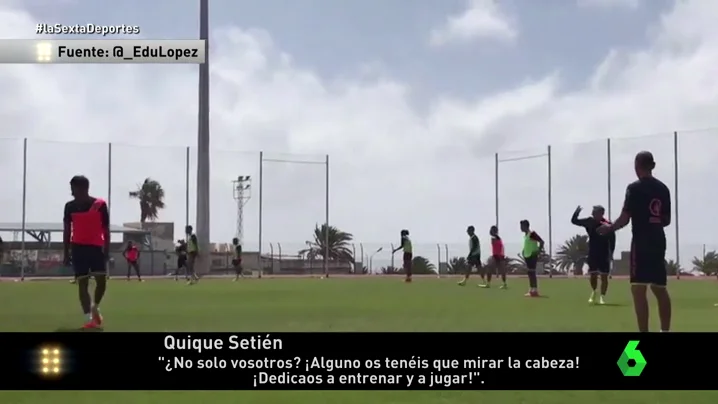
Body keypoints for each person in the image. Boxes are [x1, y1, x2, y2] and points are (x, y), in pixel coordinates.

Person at [598, 151, 672, 332]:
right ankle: (665, 331)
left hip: (641, 241)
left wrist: (609, 228)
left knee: (638, 289)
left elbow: (625, 217)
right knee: (660, 288)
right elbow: (667, 220)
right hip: (658, 240)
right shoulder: (663, 188)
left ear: (637, 165)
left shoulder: (634, 188)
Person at [63, 175, 109, 329]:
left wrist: (107, 249)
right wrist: (66, 253)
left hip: (96, 248)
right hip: (78, 248)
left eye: (74, 188)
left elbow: (106, 229)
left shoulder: (100, 205)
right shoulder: (69, 207)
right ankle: (89, 318)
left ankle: (95, 306)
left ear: (84, 188)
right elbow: (67, 230)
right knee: (82, 283)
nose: (72, 192)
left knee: (101, 282)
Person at [572, 205, 616, 305]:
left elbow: (612, 240)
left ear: (601, 214)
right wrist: (576, 213)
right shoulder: (589, 221)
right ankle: (594, 292)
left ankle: (602, 297)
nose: (592, 214)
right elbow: (574, 221)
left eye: (594, 212)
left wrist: (611, 253)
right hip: (593, 252)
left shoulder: (607, 225)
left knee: (604, 277)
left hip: (604, 253)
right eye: (592, 212)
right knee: (593, 275)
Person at [520, 220, 544, 297]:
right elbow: (528, 244)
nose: (520, 228)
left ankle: (535, 290)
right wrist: (524, 251)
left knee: (532, 272)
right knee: (530, 273)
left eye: (522, 226)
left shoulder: (532, 234)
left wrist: (538, 251)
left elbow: (541, 242)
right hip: (527, 256)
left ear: (526, 226)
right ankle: (531, 290)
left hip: (532, 255)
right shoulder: (526, 235)